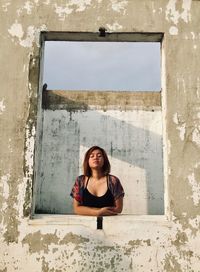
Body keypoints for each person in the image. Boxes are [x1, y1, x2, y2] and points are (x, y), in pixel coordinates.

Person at [70, 146, 124, 216]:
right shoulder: (81, 181)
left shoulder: (113, 181)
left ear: (104, 160)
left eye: (99, 156)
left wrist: (87, 210)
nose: (95, 158)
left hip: (110, 224)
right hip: (85, 225)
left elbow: (118, 208)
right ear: (87, 161)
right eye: (91, 156)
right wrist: (98, 212)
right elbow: (76, 209)